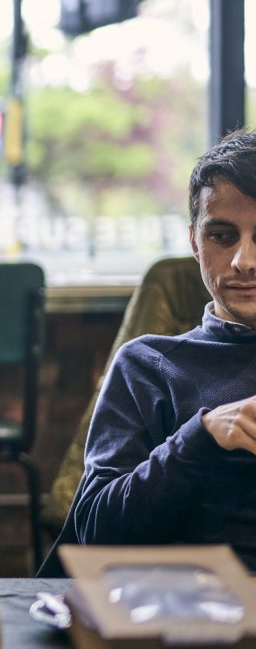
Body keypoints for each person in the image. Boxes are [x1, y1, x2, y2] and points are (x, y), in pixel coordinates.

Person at [74, 128, 256, 570]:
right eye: (222, 236)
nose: (244, 262)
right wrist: (202, 436)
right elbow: (95, 533)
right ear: (195, 242)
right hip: (186, 602)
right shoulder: (148, 366)